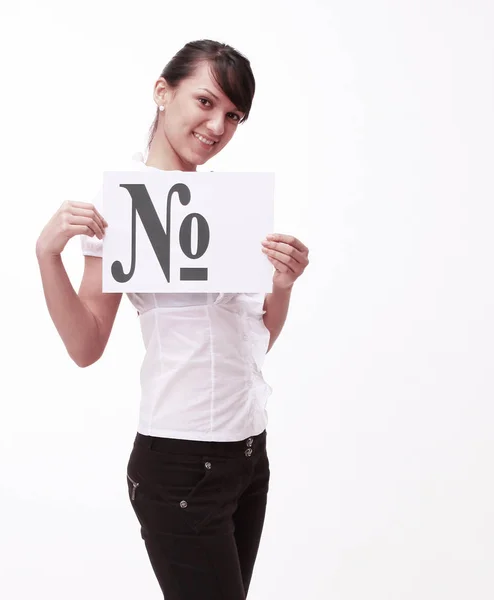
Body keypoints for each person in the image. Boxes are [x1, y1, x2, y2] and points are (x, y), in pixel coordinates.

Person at [35, 39, 309, 599]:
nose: (217, 126)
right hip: (182, 459)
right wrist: (47, 254)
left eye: (233, 115)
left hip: (248, 455)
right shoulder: (121, 204)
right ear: (163, 92)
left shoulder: (229, 205)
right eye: (205, 102)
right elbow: (86, 345)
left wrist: (281, 287)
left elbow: (256, 339)